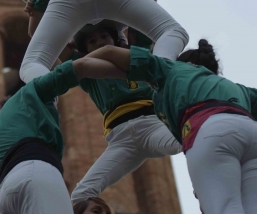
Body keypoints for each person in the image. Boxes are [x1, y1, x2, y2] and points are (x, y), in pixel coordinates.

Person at [87, 40, 257, 214]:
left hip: (209, 129)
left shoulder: (170, 70)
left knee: (225, 208)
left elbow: (109, 52)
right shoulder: (231, 85)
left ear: (187, 63)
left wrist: (73, 71)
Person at [15, 0, 188, 83]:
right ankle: (161, 71)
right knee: (171, 30)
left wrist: (37, 10)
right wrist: (123, 21)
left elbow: (33, 31)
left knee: (33, 62)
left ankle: (47, 103)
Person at [0, 51, 126, 213]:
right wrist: (133, 72)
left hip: (4, 197)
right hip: (36, 171)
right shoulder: (33, 92)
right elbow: (79, 67)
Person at [66, 21, 181, 205]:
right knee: (80, 195)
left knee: (192, 138)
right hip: (121, 139)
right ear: (84, 49)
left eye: (104, 36)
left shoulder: (137, 58)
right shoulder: (87, 74)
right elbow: (59, 50)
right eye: (92, 40)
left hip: (151, 125)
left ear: (115, 39)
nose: (100, 42)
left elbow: (140, 16)